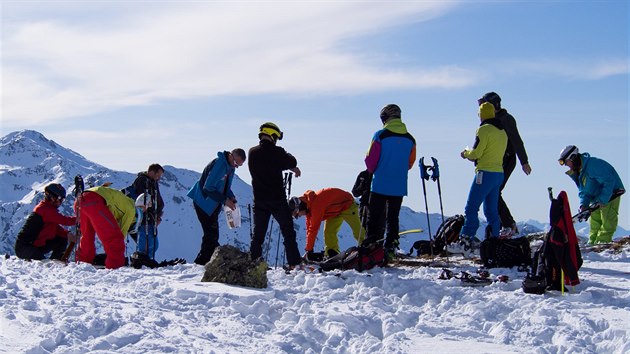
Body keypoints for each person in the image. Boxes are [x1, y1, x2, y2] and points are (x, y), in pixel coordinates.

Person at [362, 104, 416, 260]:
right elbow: (410, 163)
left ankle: (371, 247)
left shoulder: (380, 135)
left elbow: (371, 162)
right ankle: (391, 247)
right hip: (399, 185)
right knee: (393, 218)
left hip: (380, 183)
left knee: (374, 217)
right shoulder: (410, 139)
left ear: (384, 118)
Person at [454, 102, 508, 255]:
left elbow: (476, 153)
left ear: (481, 115)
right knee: (491, 210)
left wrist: (465, 153)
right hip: (499, 173)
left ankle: (465, 240)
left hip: (484, 173)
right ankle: (494, 240)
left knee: (471, 207)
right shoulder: (502, 131)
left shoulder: (483, 130)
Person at [248, 122, 302, 267]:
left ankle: (254, 263)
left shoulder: (252, 152)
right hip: (277, 200)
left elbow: (269, 164)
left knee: (258, 236)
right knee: (288, 231)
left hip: (259, 200)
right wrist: (289, 161)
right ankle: (294, 263)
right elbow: (292, 160)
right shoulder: (277, 152)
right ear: (273, 135)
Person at [478, 92, 531, 237]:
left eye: (484, 104)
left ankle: (508, 225)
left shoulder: (506, 119)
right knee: (491, 192)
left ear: (493, 105)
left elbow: (516, 140)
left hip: (506, 160)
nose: (481, 107)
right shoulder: (490, 121)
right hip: (494, 162)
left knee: (494, 191)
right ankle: (504, 226)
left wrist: (524, 162)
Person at [188, 149, 246, 265]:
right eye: (236, 163)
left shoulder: (229, 167)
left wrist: (231, 196)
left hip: (213, 204)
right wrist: (225, 200)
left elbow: (224, 186)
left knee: (211, 233)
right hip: (204, 202)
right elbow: (208, 187)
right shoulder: (219, 165)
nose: (236, 167)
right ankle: (203, 261)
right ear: (231, 156)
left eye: (238, 165)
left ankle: (205, 260)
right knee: (211, 233)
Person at [558, 145, 625, 244]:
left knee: (607, 221)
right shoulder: (580, 171)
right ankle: (592, 244)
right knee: (595, 222)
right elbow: (584, 191)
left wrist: (603, 199)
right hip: (596, 197)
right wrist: (583, 205)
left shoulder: (593, 165)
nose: (567, 166)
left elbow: (609, 181)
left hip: (611, 193)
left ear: (573, 157)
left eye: (567, 162)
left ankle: (602, 244)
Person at [76, 186, 148, 269]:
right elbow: (121, 232)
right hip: (95, 202)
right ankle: (115, 267)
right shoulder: (131, 209)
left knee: (87, 237)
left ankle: (83, 264)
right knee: (116, 240)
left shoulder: (123, 202)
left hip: (80, 200)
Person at [288, 188, 365, 260]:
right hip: (334, 211)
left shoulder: (316, 205)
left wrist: (309, 250)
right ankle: (332, 253)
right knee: (328, 232)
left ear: (300, 207)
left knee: (357, 229)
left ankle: (366, 246)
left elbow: (313, 229)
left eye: (297, 214)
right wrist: (308, 251)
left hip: (347, 205)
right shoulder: (309, 208)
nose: (300, 216)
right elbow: (309, 229)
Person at [14, 183, 77, 261]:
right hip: (25, 248)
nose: (60, 201)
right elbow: (65, 220)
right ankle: (56, 262)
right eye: (59, 198)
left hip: (36, 245)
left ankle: (57, 259)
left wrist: (67, 234)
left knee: (62, 238)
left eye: (62, 199)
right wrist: (81, 218)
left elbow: (54, 227)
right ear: (51, 197)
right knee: (42, 262)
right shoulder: (45, 209)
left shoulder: (48, 208)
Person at [124, 164, 165, 260]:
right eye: (158, 175)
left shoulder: (152, 182)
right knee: (146, 241)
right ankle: (142, 260)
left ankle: (145, 260)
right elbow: (142, 200)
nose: (159, 178)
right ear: (151, 172)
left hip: (151, 216)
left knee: (152, 242)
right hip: (144, 216)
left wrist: (158, 216)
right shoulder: (142, 181)